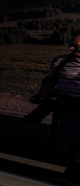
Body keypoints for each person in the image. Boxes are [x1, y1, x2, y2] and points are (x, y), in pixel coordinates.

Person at [30, 34, 80, 178]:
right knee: (70, 137)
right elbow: (50, 79)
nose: (71, 48)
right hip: (67, 104)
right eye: (70, 44)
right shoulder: (61, 60)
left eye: (75, 45)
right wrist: (42, 95)